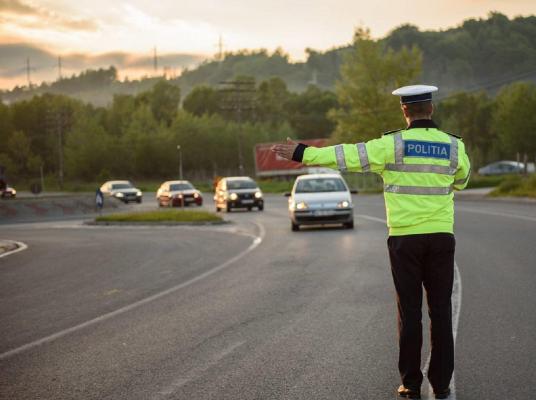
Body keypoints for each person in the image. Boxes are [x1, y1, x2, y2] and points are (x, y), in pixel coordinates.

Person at [271, 85, 470, 400]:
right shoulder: (454, 146)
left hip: (405, 239)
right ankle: (442, 384)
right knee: (441, 310)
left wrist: (302, 153)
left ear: (404, 111)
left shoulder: (391, 145)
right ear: (431, 109)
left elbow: (346, 155)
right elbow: (463, 180)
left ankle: (411, 384)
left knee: (410, 310)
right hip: (442, 237)